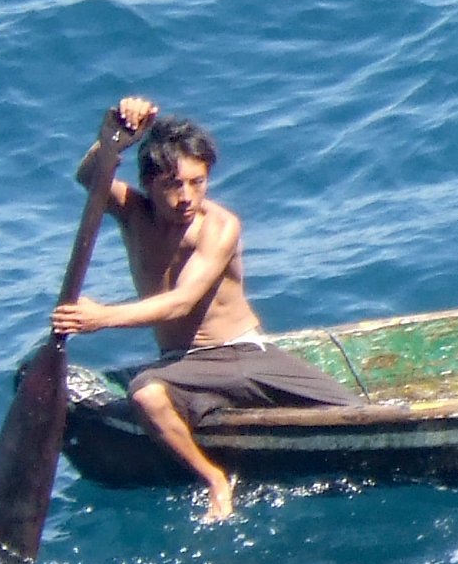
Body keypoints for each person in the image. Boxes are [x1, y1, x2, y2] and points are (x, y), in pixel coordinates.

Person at [50, 96, 355, 523]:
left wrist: (102, 318)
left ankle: (216, 480)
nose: (186, 197)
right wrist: (114, 138)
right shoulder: (134, 214)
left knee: (351, 413)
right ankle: (206, 464)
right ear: (149, 183)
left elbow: (182, 302)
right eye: (173, 185)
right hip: (182, 364)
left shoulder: (219, 226)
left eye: (198, 182)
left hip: (238, 355)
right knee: (137, 391)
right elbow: (89, 174)